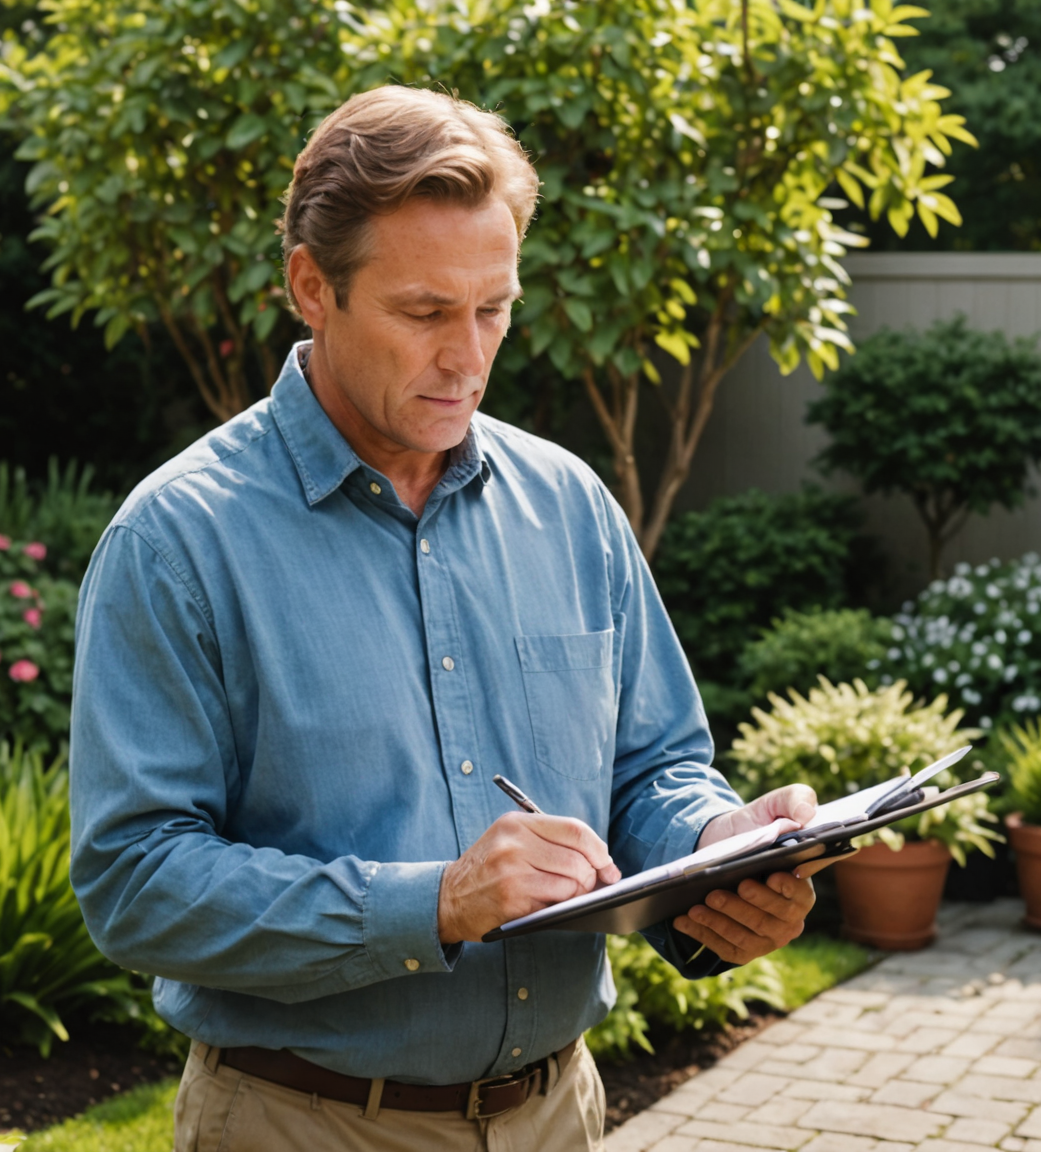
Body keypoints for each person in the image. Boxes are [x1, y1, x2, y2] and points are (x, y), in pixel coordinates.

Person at [68, 84, 818, 1152]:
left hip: (560, 1114)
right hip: (301, 1125)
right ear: (311, 288)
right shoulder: (180, 541)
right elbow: (136, 881)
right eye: (424, 313)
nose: (468, 356)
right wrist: (436, 902)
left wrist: (718, 847)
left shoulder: (569, 507)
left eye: (495, 308)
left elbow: (653, 767)